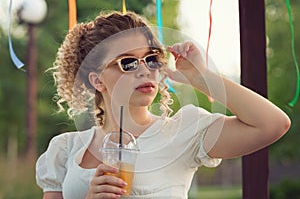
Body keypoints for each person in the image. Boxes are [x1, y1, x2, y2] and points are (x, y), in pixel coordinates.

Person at [36, 11, 290, 199]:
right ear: (97, 80)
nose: (145, 70)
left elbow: (273, 124)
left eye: (151, 59)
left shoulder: (183, 132)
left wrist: (201, 77)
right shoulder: (65, 149)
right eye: (128, 62)